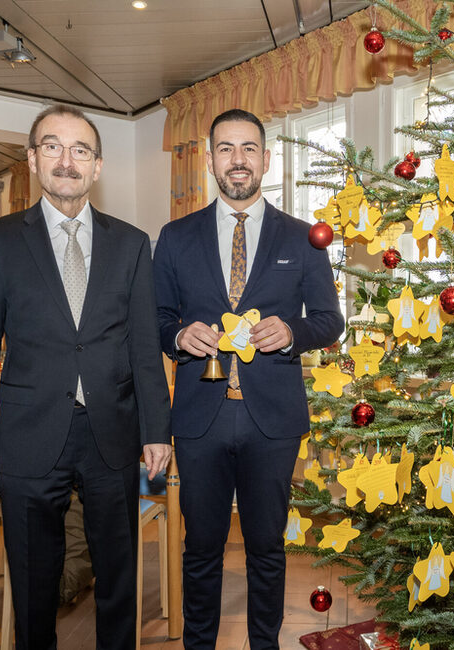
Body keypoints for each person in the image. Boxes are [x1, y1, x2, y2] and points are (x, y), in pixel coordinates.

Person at [0, 104, 172, 650]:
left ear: (97, 166)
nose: (67, 161)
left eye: (81, 151)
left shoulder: (131, 244)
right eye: (52, 146)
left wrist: (156, 431)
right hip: (29, 437)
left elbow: (146, 348)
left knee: (118, 580)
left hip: (112, 435)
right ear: (32, 160)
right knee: (33, 583)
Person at [152, 108, 344, 649]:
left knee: (266, 548)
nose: (238, 160)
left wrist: (293, 332)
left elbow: (331, 322)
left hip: (272, 422)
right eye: (226, 149)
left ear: (266, 157)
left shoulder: (304, 238)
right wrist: (176, 337)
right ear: (210, 159)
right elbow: (155, 320)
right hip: (199, 418)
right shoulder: (175, 236)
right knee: (201, 549)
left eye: (249, 148)